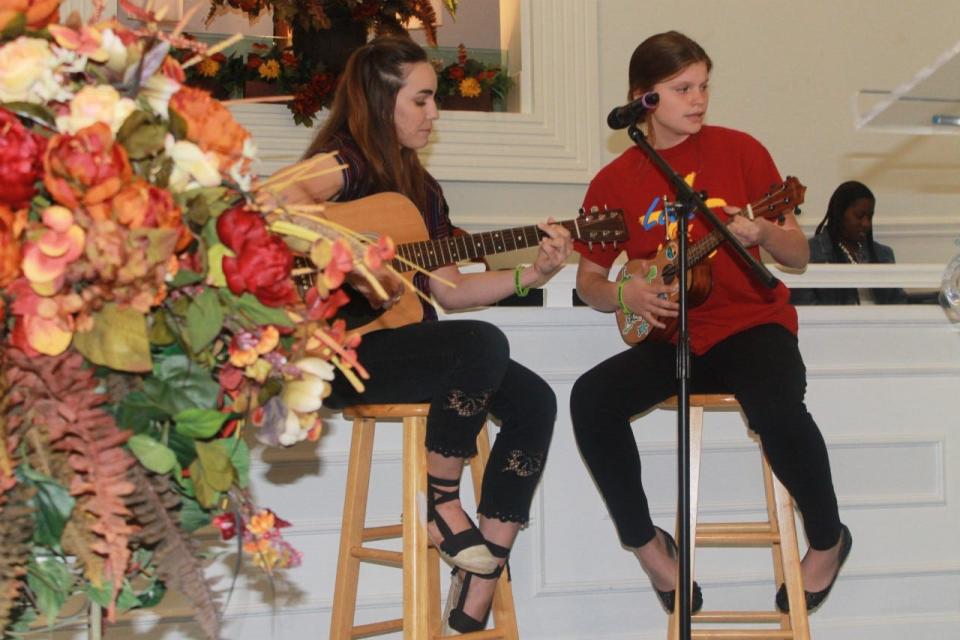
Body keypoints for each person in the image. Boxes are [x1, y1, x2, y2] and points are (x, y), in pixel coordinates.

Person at [272, 36, 572, 634]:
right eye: (423, 99)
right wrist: (345, 249)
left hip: (404, 346)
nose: (434, 114)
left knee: (535, 399)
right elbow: (270, 199)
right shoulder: (347, 163)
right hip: (343, 353)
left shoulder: (423, 191)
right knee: (482, 343)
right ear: (382, 102)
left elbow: (452, 290)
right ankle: (441, 504)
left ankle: (484, 569)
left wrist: (533, 273)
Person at [569, 31, 851, 616]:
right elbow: (588, 282)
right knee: (591, 398)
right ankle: (650, 549)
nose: (698, 100)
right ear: (643, 99)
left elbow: (797, 254)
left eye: (703, 86)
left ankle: (827, 539)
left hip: (751, 327)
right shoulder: (615, 181)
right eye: (682, 89)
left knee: (776, 410)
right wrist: (629, 291)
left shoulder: (741, 151)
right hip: (673, 339)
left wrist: (762, 232)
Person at [791, 180, 908, 305]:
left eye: (870, 217)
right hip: (832, 324)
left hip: (882, 324)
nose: (866, 223)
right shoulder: (810, 254)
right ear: (839, 214)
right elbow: (805, 311)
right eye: (859, 216)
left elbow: (899, 304)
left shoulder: (884, 254)